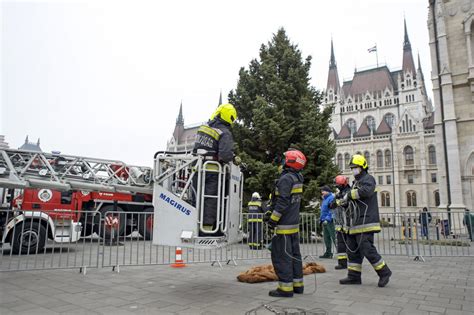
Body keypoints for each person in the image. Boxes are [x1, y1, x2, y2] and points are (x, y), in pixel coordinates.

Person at [339, 154, 392, 287]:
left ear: (362, 167)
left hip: (366, 222)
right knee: (352, 250)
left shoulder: (369, 179)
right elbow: (352, 200)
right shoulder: (356, 182)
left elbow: (366, 192)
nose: (353, 170)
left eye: (355, 167)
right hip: (355, 223)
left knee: (367, 248)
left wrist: (349, 194)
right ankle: (354, 276)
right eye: (352, 168)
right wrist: (342, 202)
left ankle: (384, 272)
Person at [265, 149, 306, 298]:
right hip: (293, 225)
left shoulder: (286, 179)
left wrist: (272, 220)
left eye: (284, 160)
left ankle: (285, 288)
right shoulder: (297, 178)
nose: (281, 162)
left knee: (282, 257)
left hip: (283, 226)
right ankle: (298, 285)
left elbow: (282, 202)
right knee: (295, 255)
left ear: (289, 162)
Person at [193, 103, 238, 234]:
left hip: (197, 170)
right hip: (213, 172)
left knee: (196, 198)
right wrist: (233, 158)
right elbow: (224, 155)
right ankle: (207, 231)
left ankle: (194, 227)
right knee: (211, 200)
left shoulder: (203, 128)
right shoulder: (224, 132)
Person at [330, 175, 351, 269]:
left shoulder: (348, 192)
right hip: (340, 224)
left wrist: (337, 202)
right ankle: (342, 263)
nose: (337, 187)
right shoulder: (340, 193)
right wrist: (334, 203)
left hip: (348, 224)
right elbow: (332, 204)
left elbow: (346, 203)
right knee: (340, 244)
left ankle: (353, 262)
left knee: (350, 244)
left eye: (338, 185)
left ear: (343, 184)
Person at [319, 185, 335, 259]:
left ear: (328, 191)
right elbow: (323, 210)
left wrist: (327, 219)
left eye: (323, 191)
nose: (322, 192)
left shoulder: (331, 198)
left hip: (330, 221)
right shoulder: (325, 199)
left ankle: (342, 253)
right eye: (321, 191)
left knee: (334, 237)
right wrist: (321, 219)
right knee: (326, 238)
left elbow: (331, 210)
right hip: (324, 220)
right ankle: (328, 253)